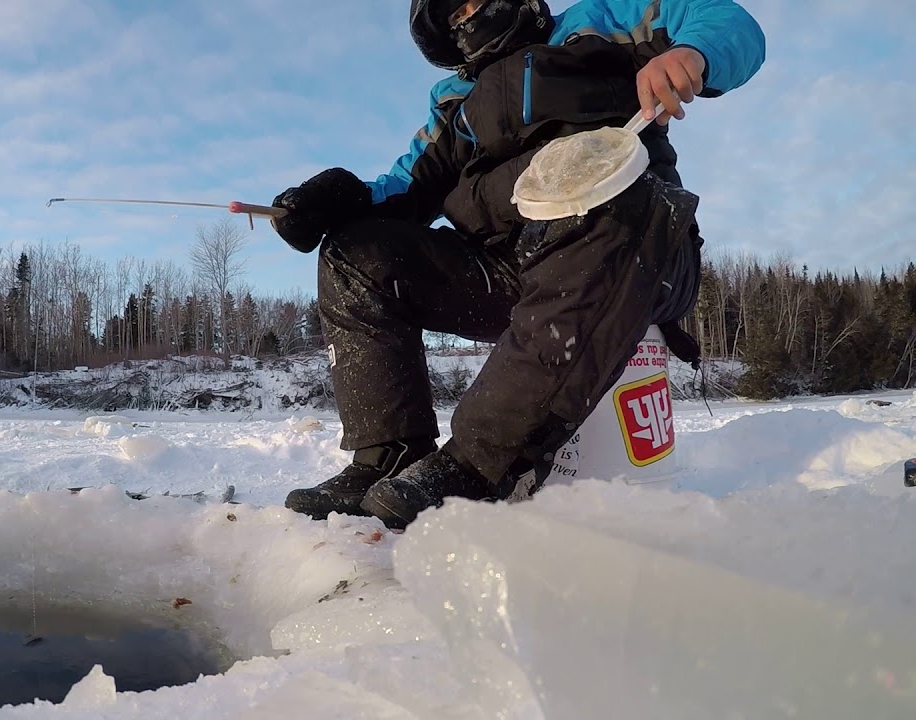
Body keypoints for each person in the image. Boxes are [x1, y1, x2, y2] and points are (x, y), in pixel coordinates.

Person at [271, 0, 765, 528]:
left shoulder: (601, 23)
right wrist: (340, 200)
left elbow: (724, 21)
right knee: (357, 252)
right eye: (456, 12)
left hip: (639, 248)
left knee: (608, 195)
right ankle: (389, 453)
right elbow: (404, 190)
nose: (471, 11)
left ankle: (482, 465)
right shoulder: (456, 104)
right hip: (513, 271)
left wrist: (692, 52)